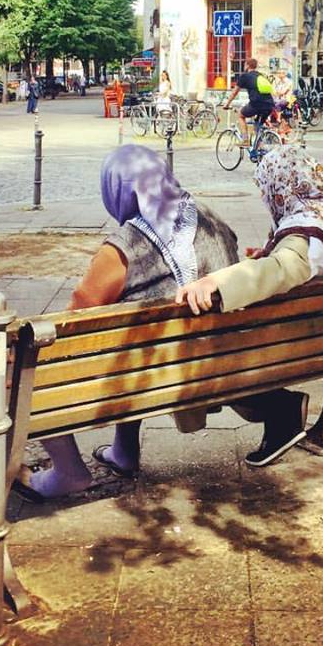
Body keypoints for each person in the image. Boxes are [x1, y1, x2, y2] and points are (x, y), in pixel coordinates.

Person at [17, 144, 240, 500]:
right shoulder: (212, 220)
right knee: (136, 334)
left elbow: (75, 320)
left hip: (152, 374)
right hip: (220, 361)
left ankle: (69, 473)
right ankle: (124, 452)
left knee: (31, 369)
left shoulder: (123, 247)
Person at [175, 147, 323, 465]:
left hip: (310, 343)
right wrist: (274, 254)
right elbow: (299, 264)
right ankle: (282, 413)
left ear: (285, 185)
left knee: (219, 350)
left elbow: (283, 270)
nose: (265, 196)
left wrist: (215, 282)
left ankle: (282, 412)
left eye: (266, 187)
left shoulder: (307, 229)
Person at [225, 57, 275, 142]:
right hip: (269, 104)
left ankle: (245, 140)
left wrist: (227, 104)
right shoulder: (261, 75)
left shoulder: (245, 76)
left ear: (247, 66)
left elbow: (234, 92)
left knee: (241, 115)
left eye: (245, 64)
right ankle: (258, 149)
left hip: (256, 104)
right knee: (258, 126)